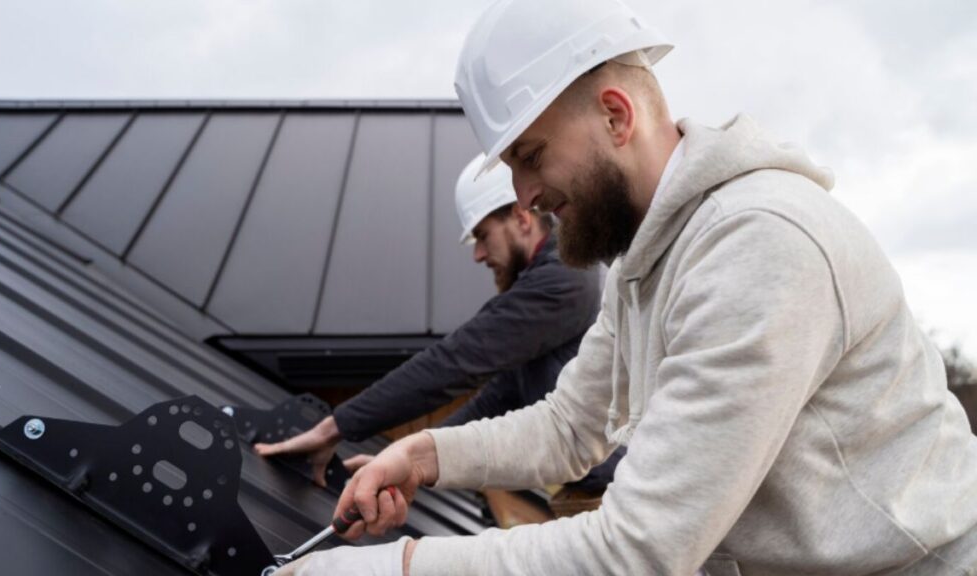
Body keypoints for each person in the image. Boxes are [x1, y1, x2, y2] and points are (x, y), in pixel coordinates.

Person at [280, 0, 977, 574]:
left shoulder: (757, 245)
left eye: (530, 156)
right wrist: (425, 455)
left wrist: (392, 567)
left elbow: (636, 553)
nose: (523, 195)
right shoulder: (644, 262)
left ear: (616, 116)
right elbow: (569, 426)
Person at [255, 153, 605, 487]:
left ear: (521, 218)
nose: (478, 254)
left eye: (483, 235)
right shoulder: (557, 275)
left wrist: (333, 428)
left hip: (612, 488)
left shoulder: (565, 279)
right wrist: (409, 457)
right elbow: (501, 395)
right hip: (591, 483)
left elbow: (457, 360)